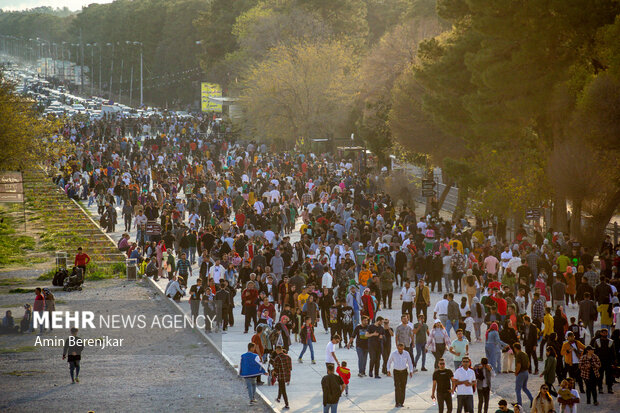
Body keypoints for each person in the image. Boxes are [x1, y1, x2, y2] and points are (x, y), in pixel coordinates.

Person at [386, 342, 414, 408]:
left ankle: (401, 402)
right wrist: (388, 370)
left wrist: (411, 371)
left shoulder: (406, 353)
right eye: (399, 349)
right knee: (397, 387)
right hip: (396, 372)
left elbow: (410, 362)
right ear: (397, 348)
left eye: (401, 349)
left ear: (403, 348)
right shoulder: (393, 354)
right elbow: (389, 362)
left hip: (404, 372)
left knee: (403, 387)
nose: (400, 350)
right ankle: (397, 402)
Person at [591, 327, 616, 394]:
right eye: (603, 332)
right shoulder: (597, 341)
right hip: (600, 361)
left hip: (608, 361)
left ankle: (609, 388)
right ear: (601, 333)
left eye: (606, 333)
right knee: (600, 376)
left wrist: (614, 361)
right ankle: (600, 388)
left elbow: (613, 352)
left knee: (609, 376)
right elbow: (595, 352)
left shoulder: (610, 341)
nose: (604, 334)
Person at [270, 345, 292, 409]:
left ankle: (287, 404)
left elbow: (276, 369)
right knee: (281, 386)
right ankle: (278, 398)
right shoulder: (288, 357)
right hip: (287, 375)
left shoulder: (277, 358)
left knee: (283, 390)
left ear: (277, 350)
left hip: (281, 376)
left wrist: (273, 373)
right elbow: (290, 368)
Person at [513, 343, 534, 407]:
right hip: (526, 372)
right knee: (524, 388)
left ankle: (519, 404)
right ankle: (532, 399)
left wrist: (516, 372)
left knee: (518, 389)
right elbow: (528, 363)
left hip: (521, 373)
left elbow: (519, 365)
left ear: (515, 348)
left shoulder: (518, 355)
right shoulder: (525, 354)